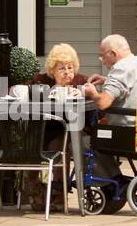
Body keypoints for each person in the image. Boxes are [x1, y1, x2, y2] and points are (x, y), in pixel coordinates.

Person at [21, 43, 89, 211]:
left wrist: (82, 93)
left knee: (59, 145)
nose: (67, 72)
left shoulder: (80, 81)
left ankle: (59, 192)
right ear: (52, 70)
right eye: (62, 68)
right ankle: (33, 186)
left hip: (67, 130)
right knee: (33, 142)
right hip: (42, 128)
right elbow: (21, 91)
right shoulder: (41, 81)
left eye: (70, 67)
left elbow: (92, 95)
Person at [82, 35, 137, 180]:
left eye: (102, 56)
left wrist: (92, 92)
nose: (102, 60)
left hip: (129, 135)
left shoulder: (120, 68)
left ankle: (114, 180)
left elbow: (103, 103)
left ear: (113, 53)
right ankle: (115, 178)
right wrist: (106, 81)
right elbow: (134, 86)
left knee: (83, 142)